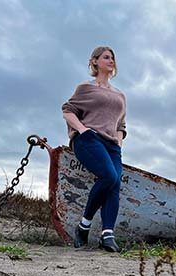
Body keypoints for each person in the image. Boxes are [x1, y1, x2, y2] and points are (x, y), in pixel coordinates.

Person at [61, 46, 127, 252]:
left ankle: (107, 235)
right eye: (106, 57)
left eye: (113, 58)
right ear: (95, 61)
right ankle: (84, 226)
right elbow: (68, 110)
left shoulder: (120, 95)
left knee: (114, 183)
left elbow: (121, 125)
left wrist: (118, 141)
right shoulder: (86, 88)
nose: (111, 60)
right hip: (89, 140)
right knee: (108, 176)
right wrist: (83, 130)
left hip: (112, 145)